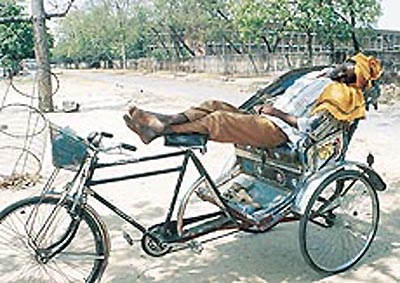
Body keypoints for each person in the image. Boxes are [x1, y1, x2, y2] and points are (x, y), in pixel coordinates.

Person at [123, 52, 382, 148]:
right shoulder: (316, 73)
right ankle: (163, 121)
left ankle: (159, 129)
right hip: (265, 117)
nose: (344, 69)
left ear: (352, 81)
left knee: (219, 119)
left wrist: (276, 113)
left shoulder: (341, 94)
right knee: (214, 104)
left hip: (280, 131)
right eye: (347, 64)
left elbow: (308, 127)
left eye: (349, 73)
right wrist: (266, 104)